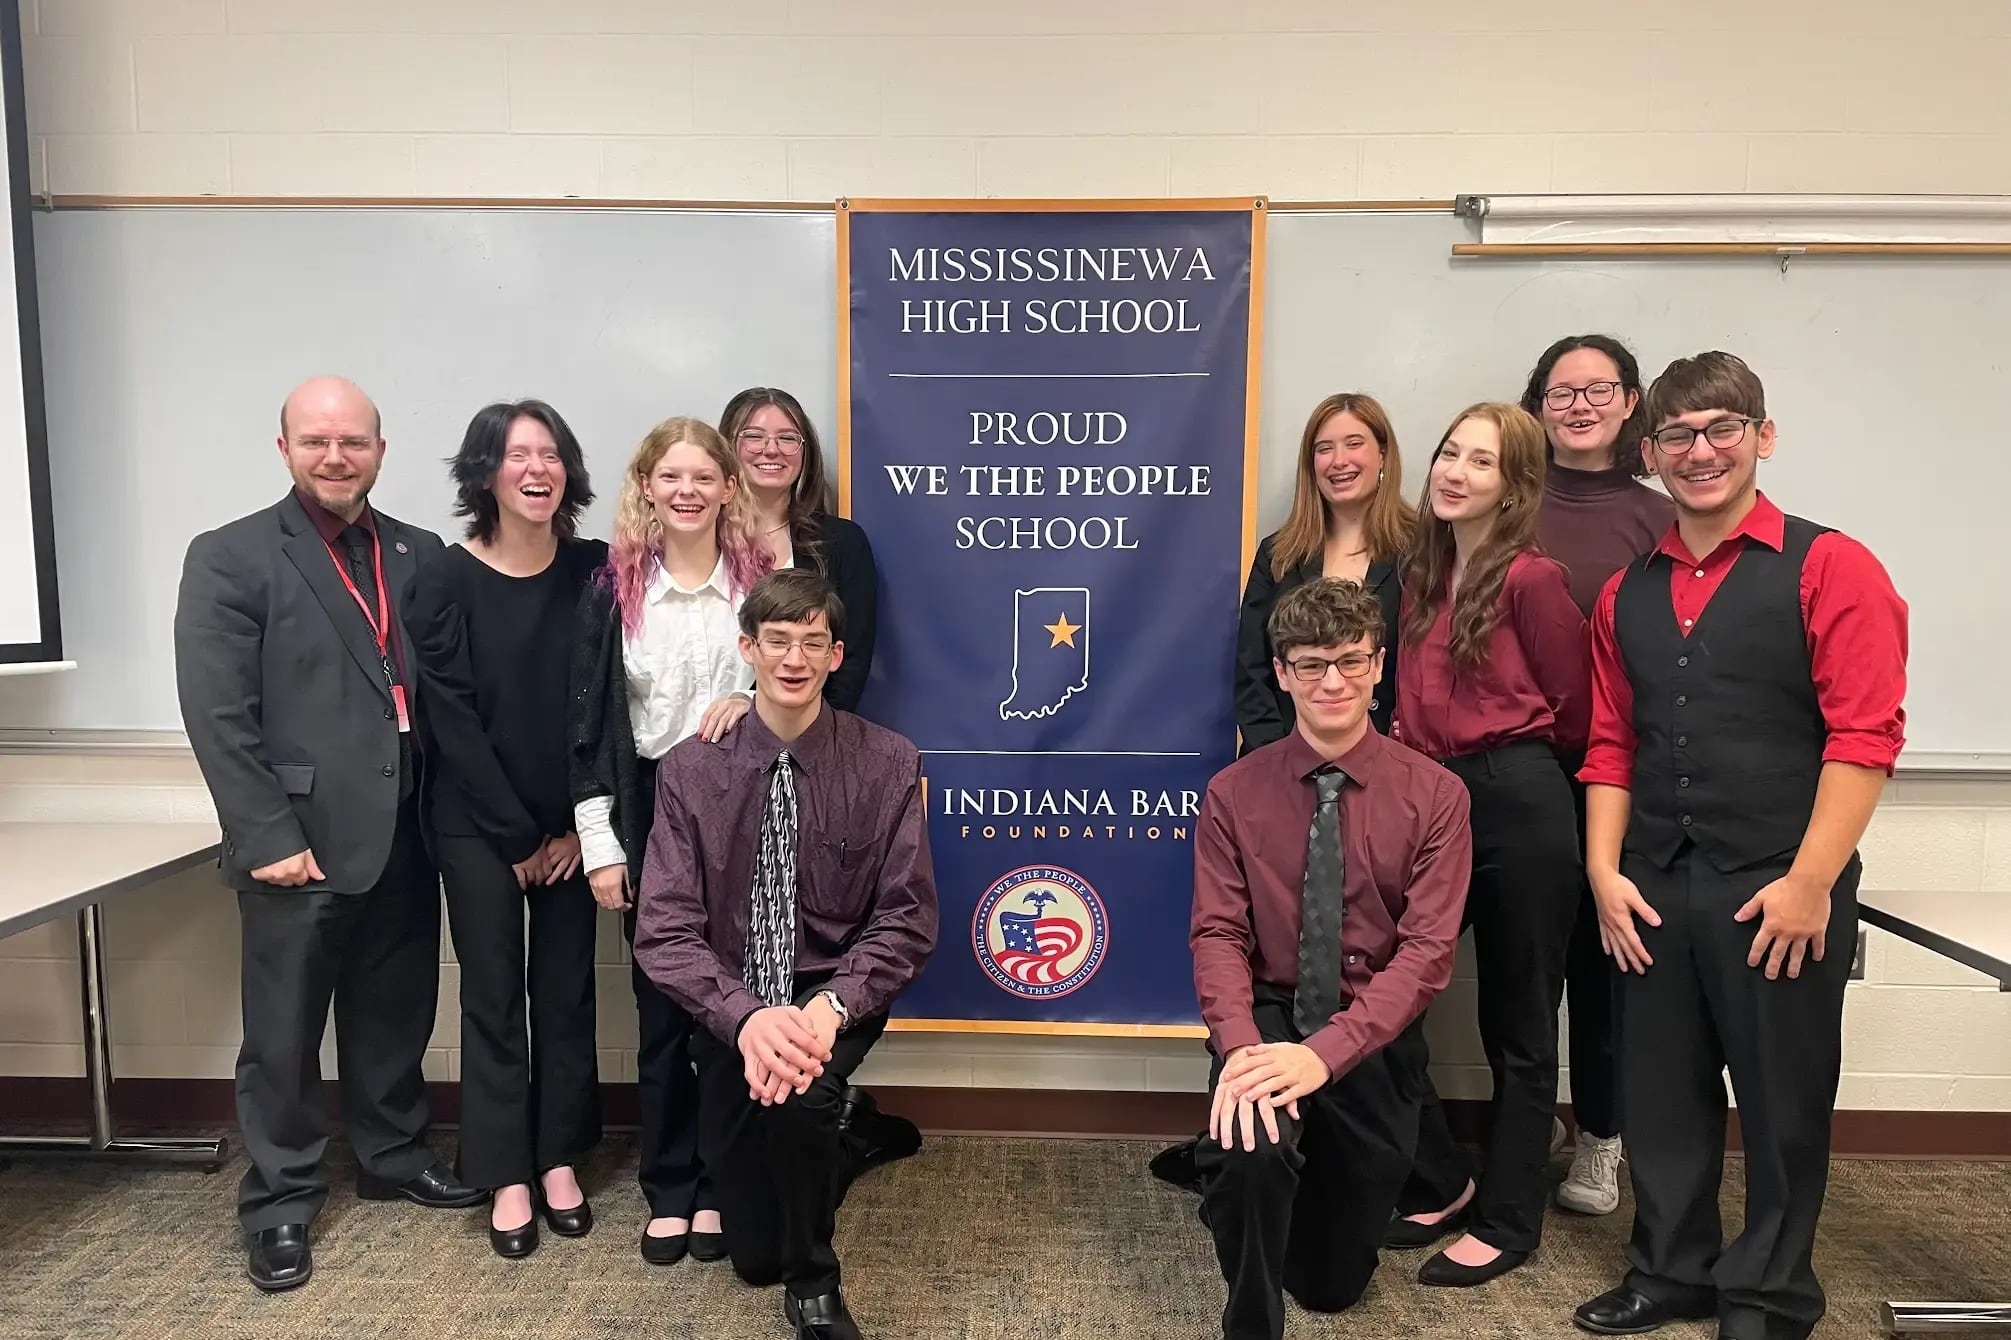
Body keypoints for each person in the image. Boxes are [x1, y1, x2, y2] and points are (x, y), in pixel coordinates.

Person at [1571, 353, 1907, 1340]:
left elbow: (1863, 737)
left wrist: (1811, 882)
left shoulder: (1831, 566)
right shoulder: (1623, 592)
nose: (1699, 449)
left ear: (1762, 434)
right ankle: (1671, 1268)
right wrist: (1601, 870)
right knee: (1660, 1091)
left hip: (1779, 885)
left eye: (1721, 427)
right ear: (1651, 451)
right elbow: (1609, 742)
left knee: (1780, 1099)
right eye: (1677, 435)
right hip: (1653, 884)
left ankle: (1766, 1293)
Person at [173, 376, 484, 1293]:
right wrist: (264, 831)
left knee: (394, 1012)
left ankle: (392, 1156)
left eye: (353, 441)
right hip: (294, 840)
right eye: (316, 441)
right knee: (282, 1034)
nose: (336, 456)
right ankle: (280, 1199)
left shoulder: (418, 553)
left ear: (380, 451)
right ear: (284, 451)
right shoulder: (230, 556)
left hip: (406, 832)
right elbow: (217, 713)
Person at [633, 568, 939, 1340]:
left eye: (812, 641)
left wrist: (823, 1013)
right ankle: (850, 1138)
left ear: (836, 656)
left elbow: (905, 917)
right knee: (750, 1256)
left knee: (800, 1105)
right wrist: (745, 1019)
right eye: (777, 640)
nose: (794, 658)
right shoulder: (690, 770)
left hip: (833, 999)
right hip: (729, 1005)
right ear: (748, 648)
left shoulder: (888, 762)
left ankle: (814, 1285)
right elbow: (663, 929)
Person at [1191, 577, 1472, 1340]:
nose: (1333, 682)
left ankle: (1228, 1165)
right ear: (1280, 672)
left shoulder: (1437, 796)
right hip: (1271, 1012)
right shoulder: (1231, 792)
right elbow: (1217, 934)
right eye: (1311, 664)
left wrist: (1325, 1057)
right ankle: (1248, 1314)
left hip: (1369, 1031)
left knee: (1329, 1285)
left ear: (1378, 664)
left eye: (1350, 660)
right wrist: (1243, 1048)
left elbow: (1423, 954)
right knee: (1251, 1146)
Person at [1386, 402, 1589, 1287]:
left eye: (1480, 461)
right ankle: (1441, 1174)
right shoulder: (1418, 573)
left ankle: (1509, 1220)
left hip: (1518, 800)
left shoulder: (1532, 580)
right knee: (1380, 992)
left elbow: (1578, 711)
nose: (1454, 470)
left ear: (1512, 489)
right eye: (1447, 452)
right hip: (1429, 798)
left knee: (1517, 1022)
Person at [571, 416, 773, 1266]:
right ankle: (669, 1185)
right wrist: (601, 844)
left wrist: (755, 700)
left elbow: (805, 689)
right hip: (649, 806)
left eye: (703, 476)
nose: (686, 491)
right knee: (661, 1012)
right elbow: (584, 728)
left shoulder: (765, 580)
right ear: (646, 488)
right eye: (670, 477)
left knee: (733, 1010)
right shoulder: (610, 588)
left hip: (743, 808)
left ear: (729, 487)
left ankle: (726, 1186)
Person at [408, 399, 605, 1258]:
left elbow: (607, 709)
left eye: (551, 453)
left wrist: (570, 829)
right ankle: (506, 1172)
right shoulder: (443, 577)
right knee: (492, 997)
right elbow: (447, 719)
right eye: (517, 454)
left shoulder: (598, 570)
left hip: (572, 828)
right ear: (483, 472)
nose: (537, 468)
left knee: (566, 992)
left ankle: (558, 1156)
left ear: (568, 472)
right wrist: (518, 836)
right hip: (477, 827)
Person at [1523, 334, 1678, 1217]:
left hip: (1624, 780)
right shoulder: (1501, 503)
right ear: (1537, 404)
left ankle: (1602, 1136)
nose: (1578, 405)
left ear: (1630, 406)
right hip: (1516, 775)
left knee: (1606, 966)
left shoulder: (1663, 517)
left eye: (1598, 389)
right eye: (1560, 391)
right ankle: (1529, 1120)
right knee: (1522, 965)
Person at [1235, 392, 1414, 748]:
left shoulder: (1422, 550)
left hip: (1390, 765)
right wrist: (1277, 756)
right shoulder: (1278, 555)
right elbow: (1250, 670)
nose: (1339, 461)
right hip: (1281, 761)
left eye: (1354, 443)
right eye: (1324, 448)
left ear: (1383, 454)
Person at [720, 387, 879, 713]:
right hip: (692, 742)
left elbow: (849, 663)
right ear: (727, 446)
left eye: (788, 439)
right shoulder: (696, 537)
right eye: (754, 436)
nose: (771, 450)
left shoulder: (843, 544)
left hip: (803, 741)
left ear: (805, 451)